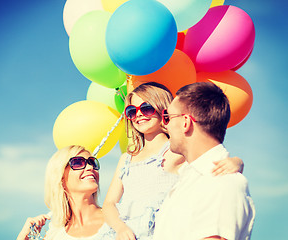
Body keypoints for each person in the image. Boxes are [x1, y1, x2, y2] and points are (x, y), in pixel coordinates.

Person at [102, 82, 244, 240]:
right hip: (125, 234)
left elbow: (206, 163)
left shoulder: (175, 151)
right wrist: (121, 228)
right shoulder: (126, 158)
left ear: (163, 110)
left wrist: (237, 162)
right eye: (131, 111)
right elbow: (109, 204)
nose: (139, 114)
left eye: (146, 108)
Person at [153, 82, 255, 240]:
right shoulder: (190, 180)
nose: (164, 124)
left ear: (185, 122)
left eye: (168, 117)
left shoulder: (221, 183)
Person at [17, 145, 113, 240]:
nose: (90, 167)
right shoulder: (54, 235)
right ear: (60, 176)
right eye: (78, 163)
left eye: (92, 162)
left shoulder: (118, 217)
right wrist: (22, 237)